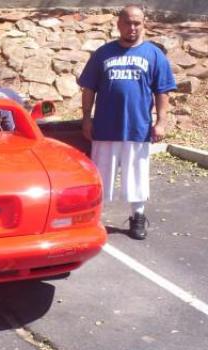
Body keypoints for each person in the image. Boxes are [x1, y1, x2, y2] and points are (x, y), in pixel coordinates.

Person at [78, 4, 176, 240]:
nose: (132, 27)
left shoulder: (154, 54)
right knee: (100, 176)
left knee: (137, 175)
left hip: (137, 127)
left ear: (143, 24)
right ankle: (93, 218)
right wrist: (86, 119)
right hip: (105, 126)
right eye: (128, 22)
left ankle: (138, 217)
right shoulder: (103, 53)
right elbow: (88, 88)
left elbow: (163, 91)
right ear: (118, 24)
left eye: (137, 23)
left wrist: (161, 122)